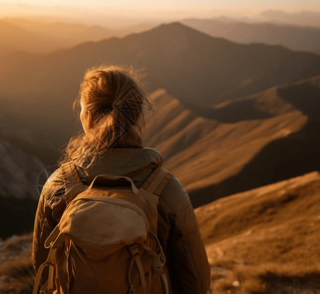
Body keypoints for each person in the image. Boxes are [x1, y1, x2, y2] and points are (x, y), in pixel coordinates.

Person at [32, 65, 210, 293]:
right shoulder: (166, 190)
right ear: (136, 114)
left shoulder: (59, 183)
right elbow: (196, 282)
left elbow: (42, 265)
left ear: (87, 116)